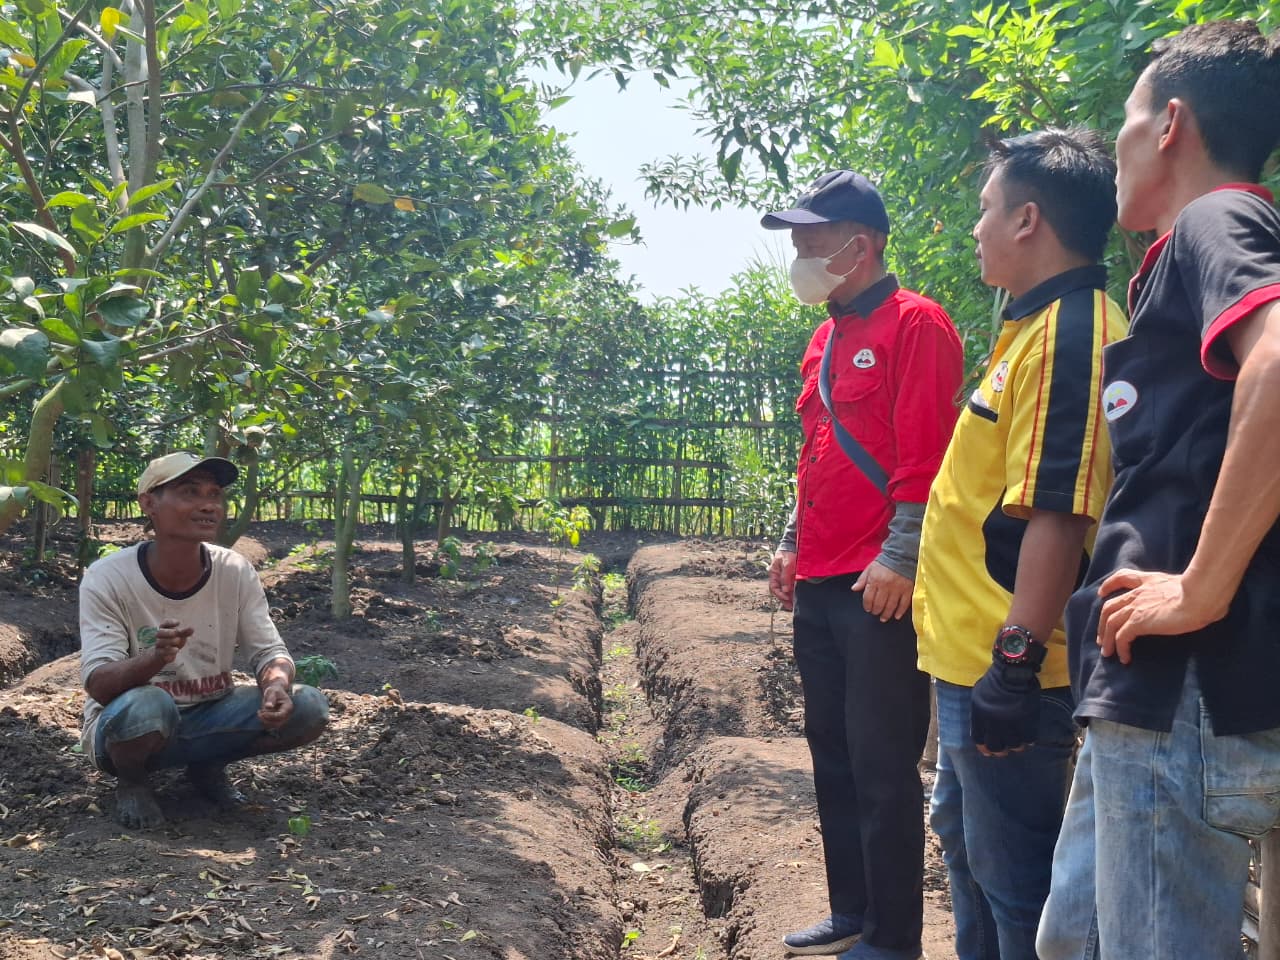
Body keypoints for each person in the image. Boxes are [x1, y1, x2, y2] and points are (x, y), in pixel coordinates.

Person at [1034, 20, 1280, 960]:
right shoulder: (1180, 259)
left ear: (1170, 123)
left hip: (1187, 692)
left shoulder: (1220, 220)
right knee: (1074, 940)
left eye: (1128, 118)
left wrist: (1202, 584)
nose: (1121, 141)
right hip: (1142, 695)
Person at [911, 129, 1125, 960]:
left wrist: (1013, 664)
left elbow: (1060, 516)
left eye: (986, 210)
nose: (976, 228)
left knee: (1017, 887)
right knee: (970, 856)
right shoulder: (1032, 329)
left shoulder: (1075, 336)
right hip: (966, 656)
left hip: (1007, 668)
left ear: (1028, 219)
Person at [762, 171, 964, 960]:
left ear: (863, 244)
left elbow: (926, 459)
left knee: (883, 767)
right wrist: (789, 541)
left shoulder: (920, 326)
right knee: (833, 755)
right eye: (796, 239)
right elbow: (816, 457)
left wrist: (900, 556)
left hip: (879, 583)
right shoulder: (825, 336)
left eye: (813, 239)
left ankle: (893, 938)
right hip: (820, 579)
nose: (800, 252)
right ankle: (850, 910)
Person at [78, 452, 329, 829]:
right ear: (149, 503)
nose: (208, 505)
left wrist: (276, 685)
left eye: (215, 494)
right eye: (190, 492)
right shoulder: (108, 577)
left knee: (308, 706)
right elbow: (99, 684)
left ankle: (206, 764)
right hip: (126, 727)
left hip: (211, 712)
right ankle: (132, 783)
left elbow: (269, 651)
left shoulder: (234, 570)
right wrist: (155, 658)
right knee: (148, 703)